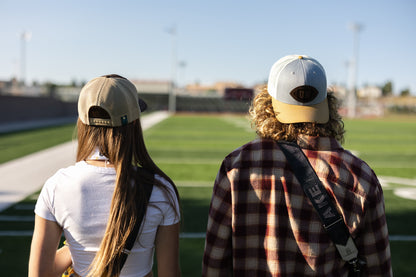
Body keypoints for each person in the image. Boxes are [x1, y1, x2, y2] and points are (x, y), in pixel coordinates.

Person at [202, 55, 392, 276]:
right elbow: (378, 270)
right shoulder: (361, 177)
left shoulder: (236, 167)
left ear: (266, 102)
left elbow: (214, 265)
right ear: (327, 104)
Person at [29, 74, 181, 277]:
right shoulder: (161, 190)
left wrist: (78, 248)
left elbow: (39, 274)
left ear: (82, 123)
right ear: (134, 124)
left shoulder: (56, 186)